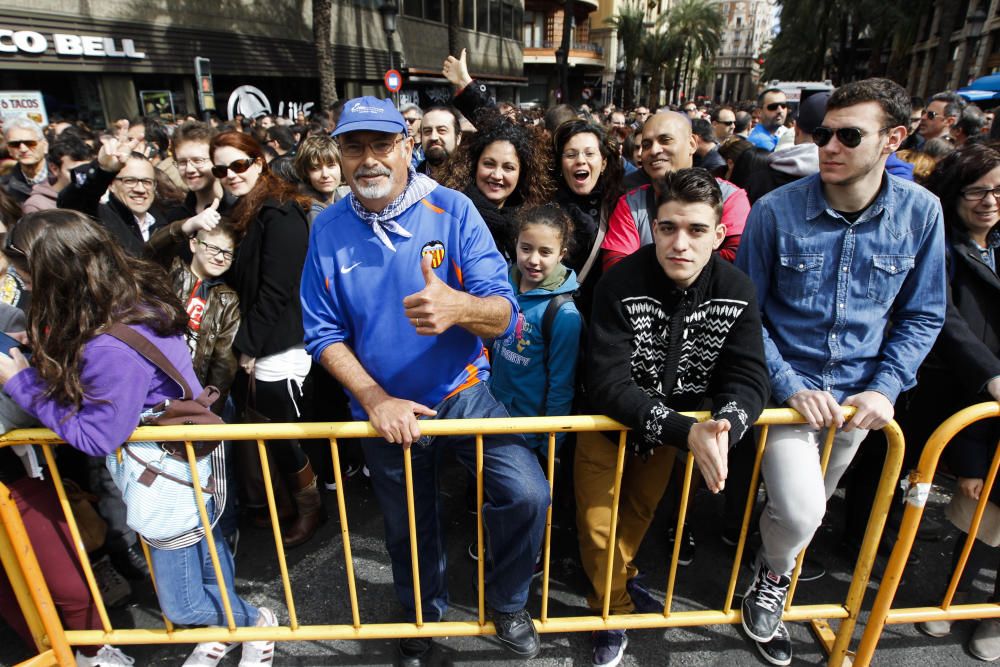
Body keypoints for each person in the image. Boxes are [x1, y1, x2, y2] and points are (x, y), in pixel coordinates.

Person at [300, 96, 549, 665]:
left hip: (463, 393)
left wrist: (459, 307)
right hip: (387, 409)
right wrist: (375, 398)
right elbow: (322, 333)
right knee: (409, 531)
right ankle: (420, 619)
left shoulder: (454, 210)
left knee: (528, 494)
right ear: (337, 153)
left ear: (407, 147)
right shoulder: (327, 228)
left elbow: (506, 312)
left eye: (382, 144)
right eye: (354, 145)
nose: (369, 159)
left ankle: (509, 603)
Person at [0, 210, 277, 666]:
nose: (23, 283)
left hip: (164, 476)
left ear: (56, 273)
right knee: (209, 560)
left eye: (26, 272)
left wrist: (22, 384)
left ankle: (253, 626)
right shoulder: (131, 294)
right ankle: (231, 630)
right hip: (186, 461)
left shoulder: (107, 342)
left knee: (182, 604)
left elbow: (95, 436)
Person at [735, 78, 947, 666]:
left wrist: (886, 386)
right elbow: (746, 314)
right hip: (789, 391)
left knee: (809, 506)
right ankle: (773, 577)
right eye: (822, 132)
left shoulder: (921, 212)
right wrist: (791, 385)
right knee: (803, 510)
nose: (829, 145)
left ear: (893, 140)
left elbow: (923, 313)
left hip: (860, 399)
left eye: (849, 135)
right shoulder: (776, 210)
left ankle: (770, 551)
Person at [578, 168, 769, 667]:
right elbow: (607, 383)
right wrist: (690, 431)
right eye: (667, 228)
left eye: (696, 230)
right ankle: (612, 610)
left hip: (672, 437)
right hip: (605, 426)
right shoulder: (618, 282)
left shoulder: (738, 289)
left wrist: (724, 426)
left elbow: (749, 377)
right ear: (654, 228)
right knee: (599, 526)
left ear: (719, 234)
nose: (679, 243)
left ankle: (618, 587)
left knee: (636, 518)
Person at [894, 144, 1000, 660]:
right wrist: (992, 375)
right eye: (977, 190)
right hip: (956, 392)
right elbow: (941, 320)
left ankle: (993, 612)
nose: (988, 201)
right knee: (970, 504)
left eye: (998, 190)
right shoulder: (940, 242)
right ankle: (951, 598)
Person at [209, 131, 322, 548]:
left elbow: (278, 288)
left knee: (285, 432)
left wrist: (247, 348)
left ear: (258, 162)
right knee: (268, 430)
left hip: (282, 342)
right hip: (260, 340)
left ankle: (312, 509)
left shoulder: (281, 210)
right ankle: (293, 503)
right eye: (222, 169)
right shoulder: (240, 208)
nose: (230, 175)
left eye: (238, 165)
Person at [488, 205, 583, 455]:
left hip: (527, 436)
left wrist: (551, 445)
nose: (533, 260)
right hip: (489, 418)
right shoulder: (501, 286)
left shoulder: (563, 314)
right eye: (526, 248)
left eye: (545, 252)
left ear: (561, 254)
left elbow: (561, 385)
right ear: (516, 244)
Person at [602, 111, 750, 268]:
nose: (654, 150)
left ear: (692, 144)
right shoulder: (630, 204)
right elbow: (616, 268)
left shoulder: (730, 197)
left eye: (665, 140)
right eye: (646, 145)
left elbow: (736, 258)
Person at [441, 110, 553, 262]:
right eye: (489, 164)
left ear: (522, 173)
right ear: (474, 166)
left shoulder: (531, 221)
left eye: (508, 167)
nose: (496, 175)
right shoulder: (451, 216)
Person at [549, 119, 624, 313]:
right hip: (555, 320)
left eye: (590, 153)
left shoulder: (620, 205)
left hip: (601, 319)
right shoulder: (544, 204)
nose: (580, 160)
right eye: (571, 154)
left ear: (604, 163)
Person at [57, 135, 168, 257]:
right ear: (111, 184)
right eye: (130, 181)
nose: (140, 189)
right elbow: (71, 203)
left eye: (147, 182)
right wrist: (102, 171)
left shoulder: (164, 221)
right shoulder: (99, 219)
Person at [22, 136, 94, 214]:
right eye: (74, 171)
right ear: (54, 169)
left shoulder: (98, 194)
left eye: (87, 170)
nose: (83, 176)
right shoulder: (37, 206)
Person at [293, 134, 349, 219]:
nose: (325, 174)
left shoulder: (342, 200)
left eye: (331, 166)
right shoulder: (313, 213)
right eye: (315, 168)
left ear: (341, 166)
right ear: (306, 172)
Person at [1, 118, 49, 205]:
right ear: (9, 150)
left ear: (45, 145)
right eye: (15, 144)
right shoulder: (4, 187)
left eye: (30, 143)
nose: (23, 149)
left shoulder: (65, 176)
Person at [416, 106, 462, 182]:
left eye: (442, 130)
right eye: (427, 131)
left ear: (458, 138)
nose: (433, 137)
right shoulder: (409, 184)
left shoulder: (473, 181)